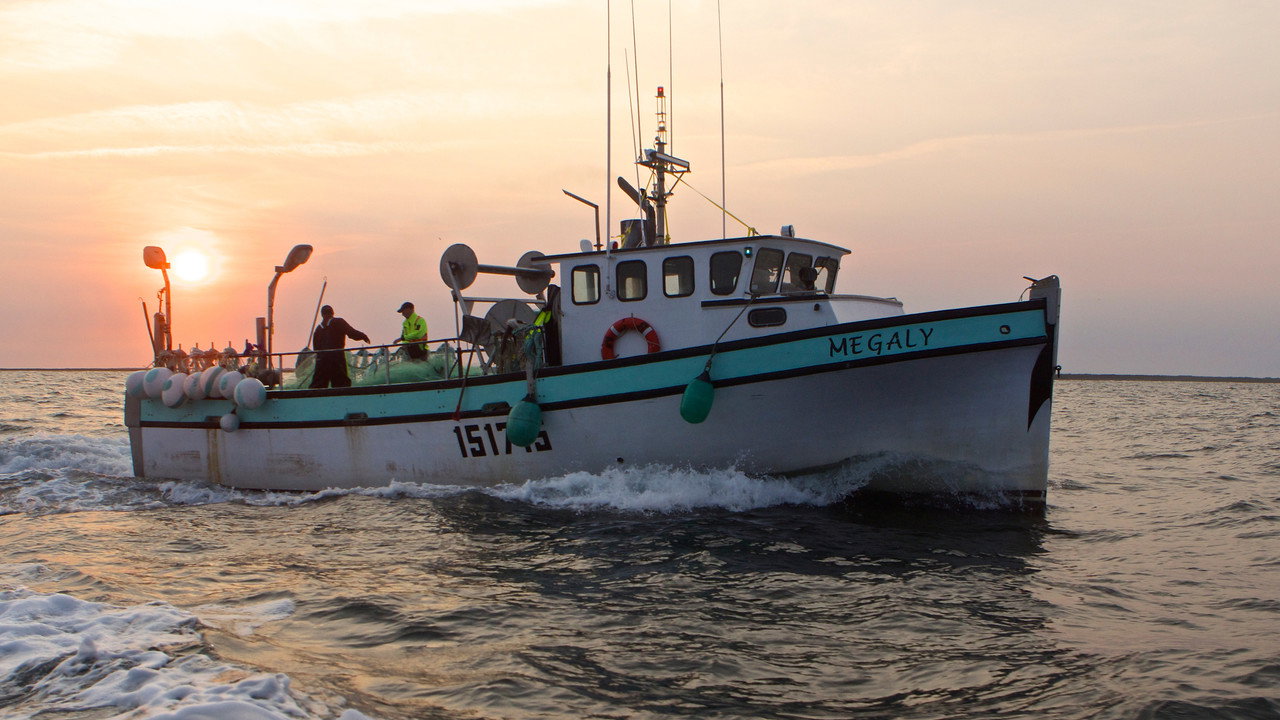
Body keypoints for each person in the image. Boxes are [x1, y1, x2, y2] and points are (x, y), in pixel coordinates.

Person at [310, 305, 371, 388]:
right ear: (332, 313)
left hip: (322, 360)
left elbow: (316, 348)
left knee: (319, 384)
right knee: (341, 383)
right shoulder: (338, 322)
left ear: (322, 314)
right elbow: (351, 333)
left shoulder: (318, 329)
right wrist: (363, 336)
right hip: (336, 357)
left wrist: (319, 357)